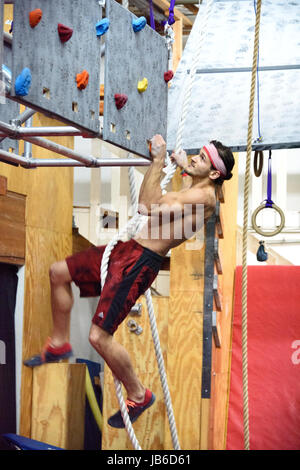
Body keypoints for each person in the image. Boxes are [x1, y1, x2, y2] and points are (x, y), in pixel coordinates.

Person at [24, 134, 234, 428]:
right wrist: (185, 169)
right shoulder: (197, 189)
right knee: (58, 272)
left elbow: (148, 206)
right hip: (127, 251)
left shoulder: (204, 198)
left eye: (202, 158)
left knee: (98, 337)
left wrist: (159, 159)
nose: (195, 158)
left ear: (213, 173)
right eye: (197, 154)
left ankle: (139, 393)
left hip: (139, 263)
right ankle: (59, 343)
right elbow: (176, 200)